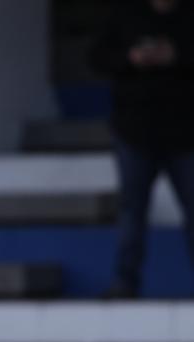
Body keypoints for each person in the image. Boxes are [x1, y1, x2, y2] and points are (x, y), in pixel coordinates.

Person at [90, 0, 194, 298]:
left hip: (187, 134)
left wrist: (176, 56)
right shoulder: (125, 14)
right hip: (135, 132)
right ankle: (125, 283)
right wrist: (131, 57)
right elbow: (96, 58)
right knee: (131, 213)